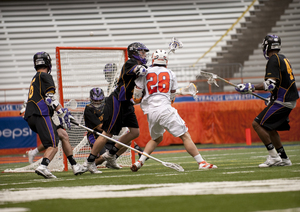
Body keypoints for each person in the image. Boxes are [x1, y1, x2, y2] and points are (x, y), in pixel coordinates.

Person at [130, 49, 218, 172]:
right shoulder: (170, 73)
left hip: (150, 112)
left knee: (156, 139)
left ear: (153, 59)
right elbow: (172, 98)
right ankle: (201, 162)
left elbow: (137, 97)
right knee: (185, 136)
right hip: (165, 108)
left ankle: (140, 162)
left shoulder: (145, 72)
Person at [84, 42, 149, 172]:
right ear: (134, 53)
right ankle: (89, 162)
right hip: (117, 100)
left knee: (135, 132)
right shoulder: (131, 63)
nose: (144, 54)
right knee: (107, 133)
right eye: (142, 52)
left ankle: (111, 154)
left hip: (127, 102)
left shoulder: (140, 64)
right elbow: (139, 70)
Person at [235, 34, 299, 168]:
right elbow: (282, 82)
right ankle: (284, 159)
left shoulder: (273, 59)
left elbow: (270, 84)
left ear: (266, 46)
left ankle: (274, 157)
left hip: (284, 100)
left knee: (257, 124)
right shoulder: (282, 58)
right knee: (270, 128)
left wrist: (250, 86)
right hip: (286, 98)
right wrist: (272, 97)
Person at [24, 51, 72, 179]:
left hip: (31, 116)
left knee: (59, 135)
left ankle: (74, 165)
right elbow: (49, 98)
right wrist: (61, 112)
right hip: (41, 113)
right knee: (53, 144)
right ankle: (43, 166)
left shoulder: (35, 78)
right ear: (48, 63)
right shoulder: (45, 76)